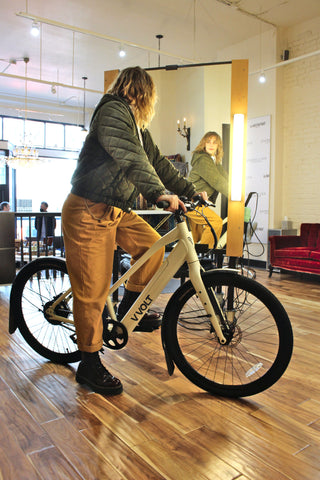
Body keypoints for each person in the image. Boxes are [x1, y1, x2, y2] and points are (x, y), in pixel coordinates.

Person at [62, 66, 206, 396]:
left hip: (114, 208)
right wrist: (158, 193)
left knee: (153, 246)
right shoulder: (113, 111)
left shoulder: (137, 126)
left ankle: (129, 312)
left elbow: (156, 162)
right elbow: (131, 159)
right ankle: (88, 363)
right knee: (93, 291)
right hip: (88, 208)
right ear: (141, 92)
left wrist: (188, 189)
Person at [187, 131, 228, 249]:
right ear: (203, 144)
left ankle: (190, 263)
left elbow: (224, 178)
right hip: (191, 202)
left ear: (218, 146)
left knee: (195, 238)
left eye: (214, 143)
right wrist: (235, 195)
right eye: (208, 142)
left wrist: (238, 190)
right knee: (216, 223)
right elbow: (217, 181)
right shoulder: (203, 160)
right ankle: (204, 257)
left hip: (197, 203)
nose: (211, 145)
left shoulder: (213, 161)